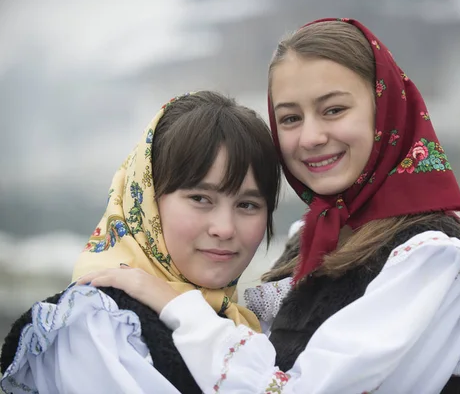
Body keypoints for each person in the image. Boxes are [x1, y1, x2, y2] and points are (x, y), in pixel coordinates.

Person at [73, 18, 460, 393]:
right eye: (289, 118)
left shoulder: (434, 258)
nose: (309, 137)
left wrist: (173, 303)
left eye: (333, 110)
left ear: (386, 112)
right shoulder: (311, 240)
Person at [0, 91, 281, 394]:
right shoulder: (100, 325)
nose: (225, 229)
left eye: (248, 205)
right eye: (200, 199)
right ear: (147, 201)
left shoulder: (248, 322)